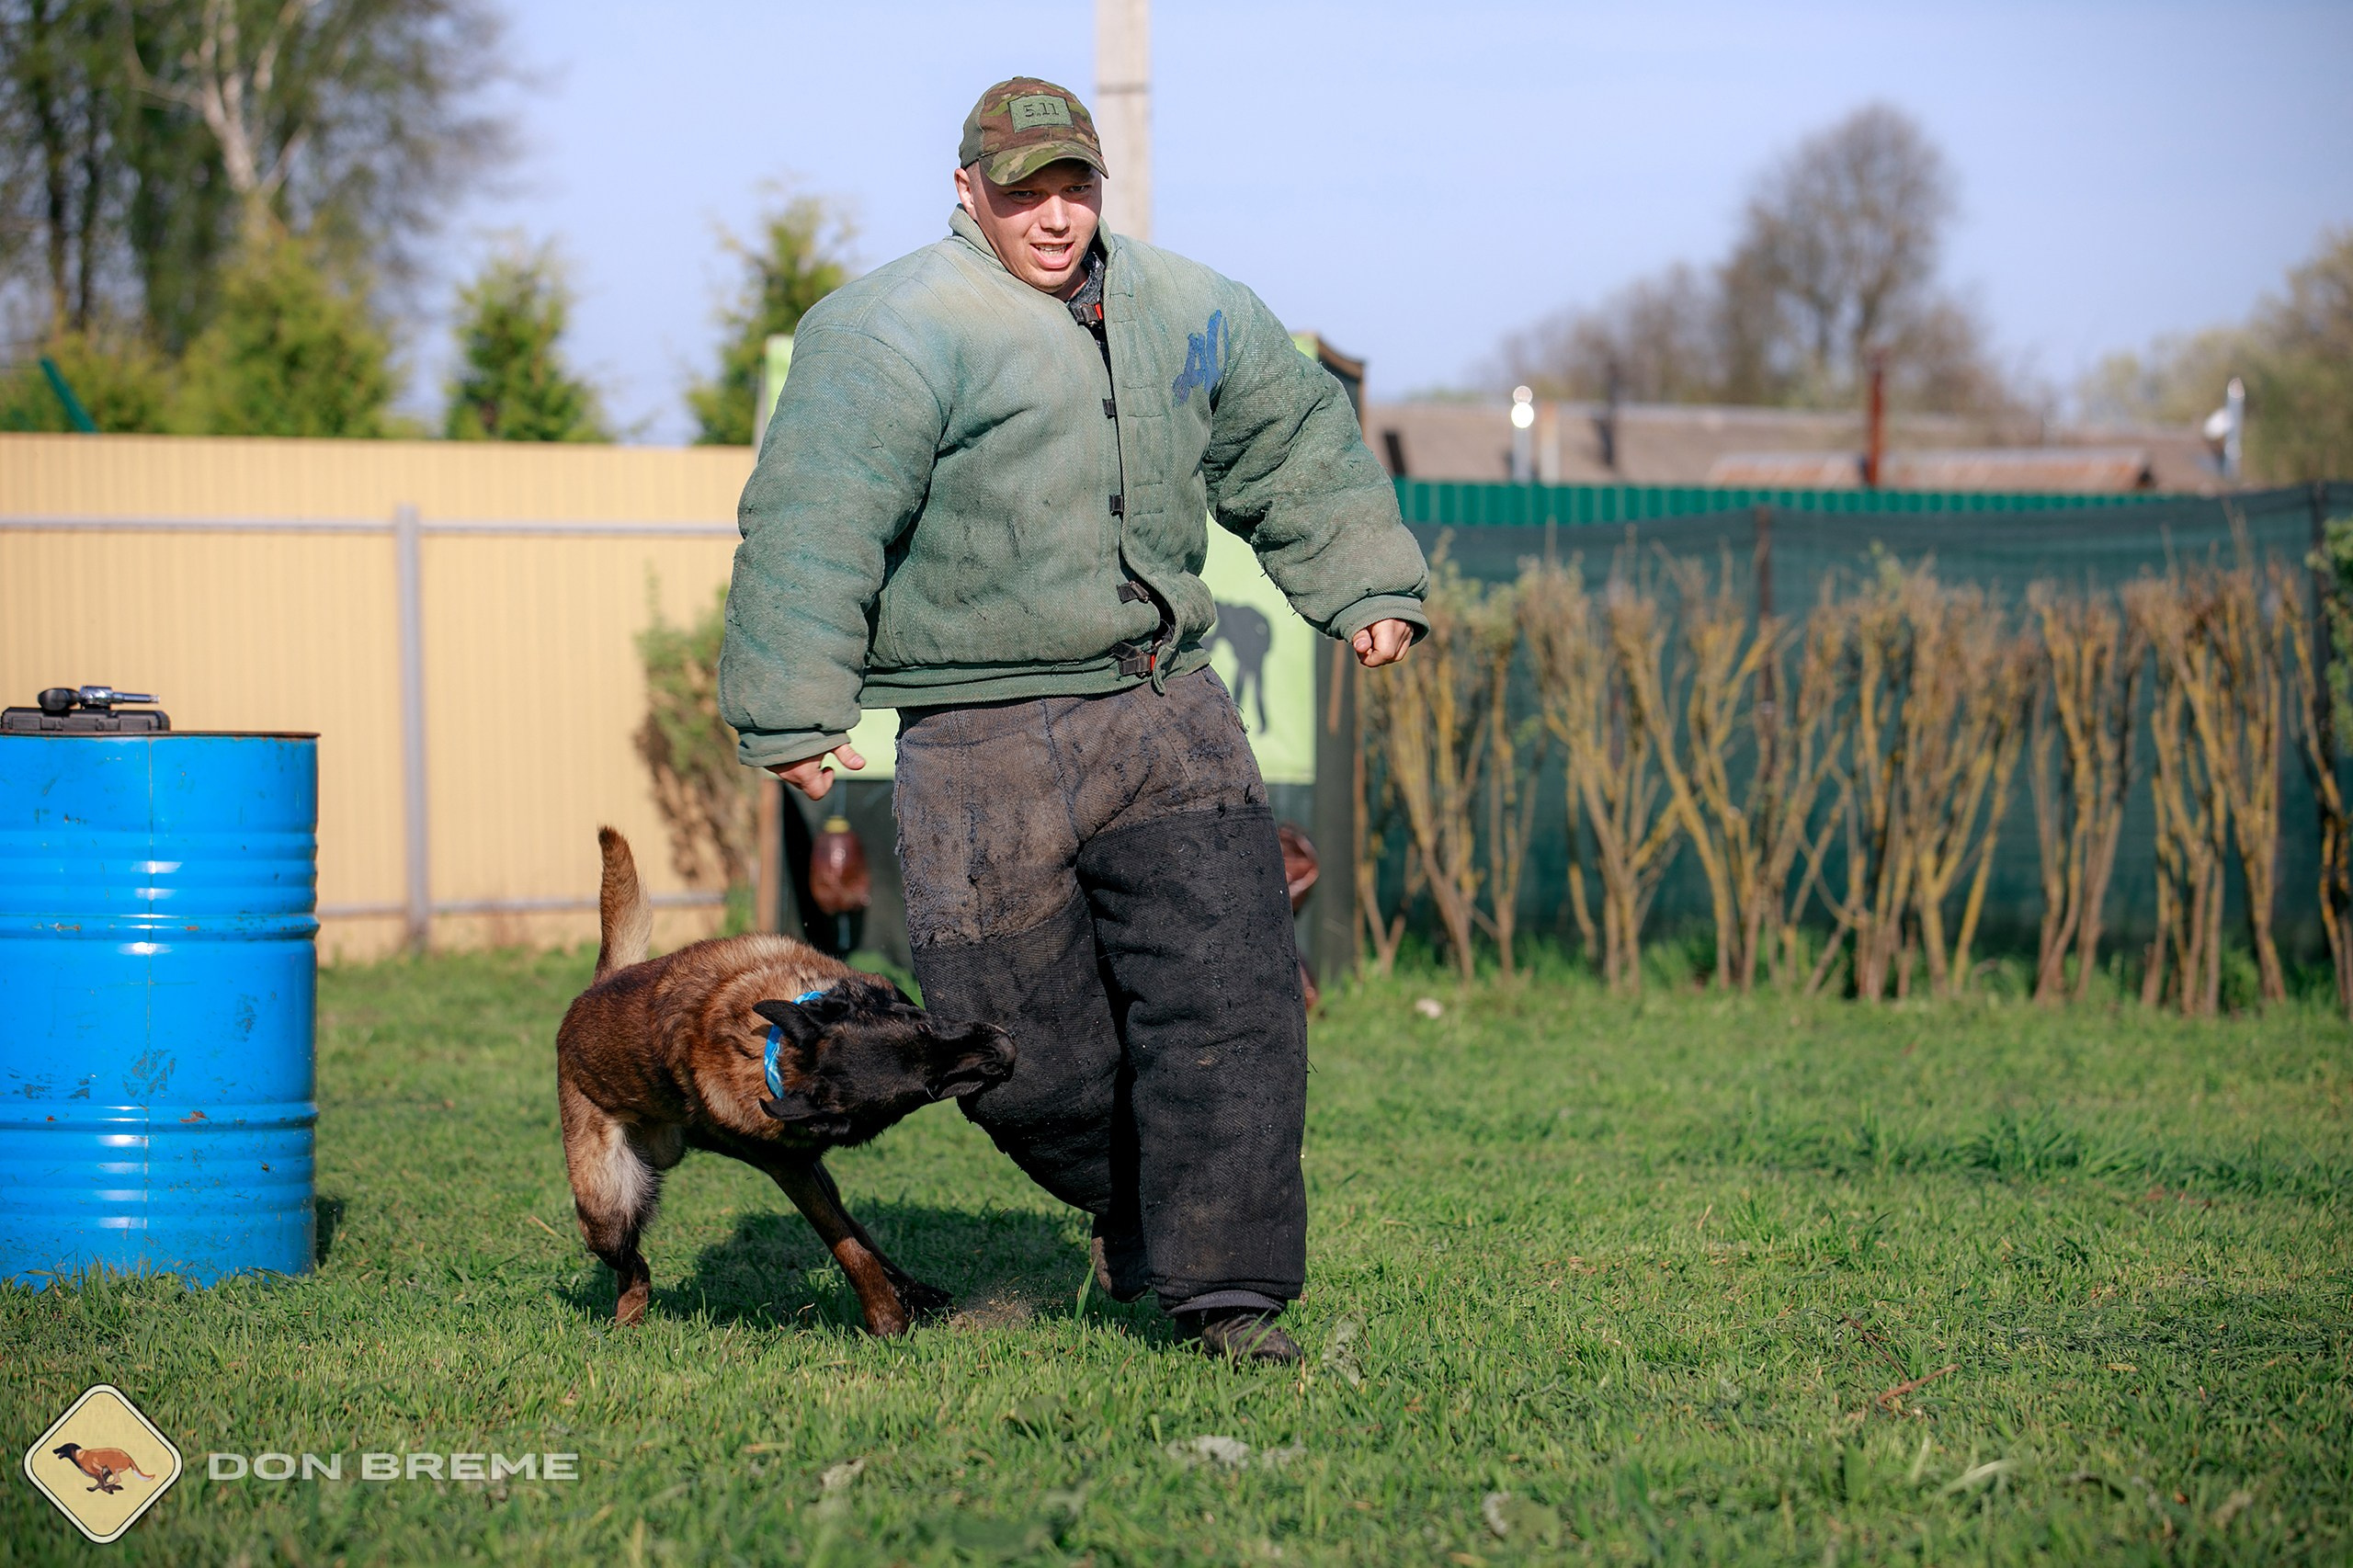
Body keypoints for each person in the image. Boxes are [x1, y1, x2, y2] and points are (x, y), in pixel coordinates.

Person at [718, 76, 1427, 1363]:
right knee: (1013, 1052)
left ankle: (1232, 1299)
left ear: (1104, 183)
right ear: (966, 189)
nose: (1055, 216)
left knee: (1232, 1001)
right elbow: (815, 519)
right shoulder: (890, 331)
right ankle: (1133, 1203)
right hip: (977, 741)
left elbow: (1290, 438)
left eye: (1075, 186)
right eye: (1024, 189)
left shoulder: (1194, 311)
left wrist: (1364, 579)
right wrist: (792, 705)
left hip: (1164, 710)